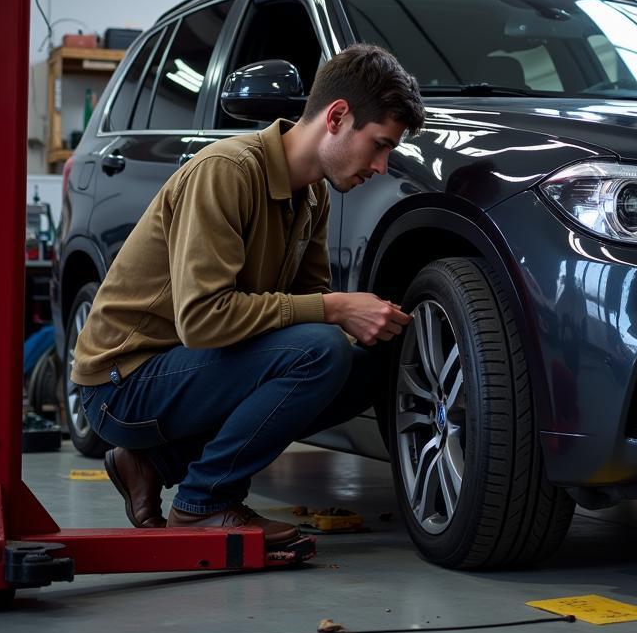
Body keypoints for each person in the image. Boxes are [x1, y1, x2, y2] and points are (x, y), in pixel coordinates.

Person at [71, 43, 426, 546]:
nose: (383, 166)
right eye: (379, 144)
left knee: (362, 363)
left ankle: (154, 463)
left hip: (184, 368)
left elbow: (302, 309)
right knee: (320, 353)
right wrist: (337, 308)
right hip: (121, 382)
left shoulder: (313, 194)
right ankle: (202, 505)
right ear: (338, 117)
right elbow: (203, 320)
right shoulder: (228, 170)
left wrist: (355, 321)